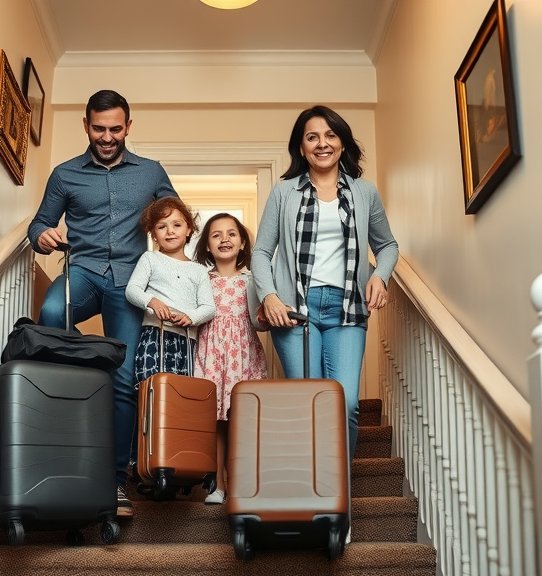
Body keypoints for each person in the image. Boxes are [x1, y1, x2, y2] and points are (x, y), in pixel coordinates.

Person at [28, 89, 177, 518]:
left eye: (115, 129)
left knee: (124, 375)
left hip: (131, 281)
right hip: (84, 270)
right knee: (51, 314)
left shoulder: (151, 172)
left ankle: (115, 481)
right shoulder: (65, 174)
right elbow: (40, 223)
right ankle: (85, 377)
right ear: (86, 125)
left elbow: (173, 216)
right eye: (99, 129)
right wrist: (42, 236)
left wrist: (176, 269)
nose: (107, 137)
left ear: (128, 126)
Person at [250, 105, 399, 466]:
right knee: (308, 402)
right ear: (301, 148)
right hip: (295, 312)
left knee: (345, 403)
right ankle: (312, 488)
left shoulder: (364, 192)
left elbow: (387, 245)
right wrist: (270, 296)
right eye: (312, 137)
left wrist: (379, 275)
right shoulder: (284, 192)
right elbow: (261, 252)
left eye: (330, 135)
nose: (322, 143)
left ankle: (336, 493)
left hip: (347, 309)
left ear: (342, 143)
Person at [191, 213, 268, 505]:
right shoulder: (201, 279)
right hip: (210, 355)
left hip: (243, 356)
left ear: (243, 242)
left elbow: (259, 321)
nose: (225, 239)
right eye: (216, 235)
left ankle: (242, 484)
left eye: (232, 233)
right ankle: (219, 486)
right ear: (207, 246)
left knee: (242, 420)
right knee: (216, 423)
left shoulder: (253, 280)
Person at [126, 197, 216, 384]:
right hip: (154, 334)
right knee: (151, 386)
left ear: (189, 229)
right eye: (162, 227)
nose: (170, 231)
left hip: (186, 339)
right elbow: (132, 290)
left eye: (177, 225)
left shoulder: (199, 271)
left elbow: (209, 308)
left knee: (181, 390)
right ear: (153, 234)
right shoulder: (150, 259)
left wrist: (191, 316)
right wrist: (152, 301)